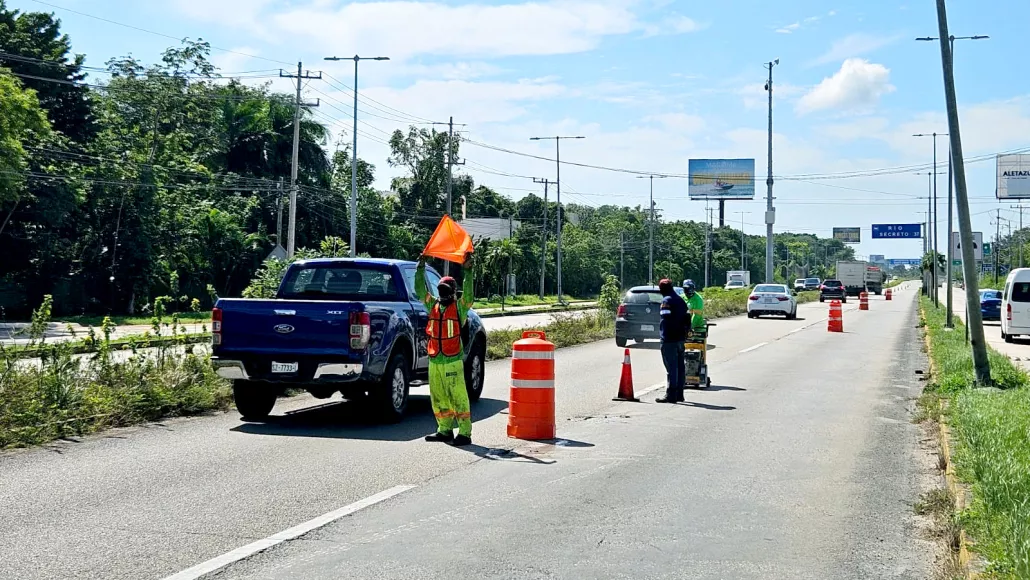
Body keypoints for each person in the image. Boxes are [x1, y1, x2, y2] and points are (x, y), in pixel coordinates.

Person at [415, 253, 475, 446]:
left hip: (452, 360)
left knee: (458, 396)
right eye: (440, 289)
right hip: (435, 360)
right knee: (438, 397)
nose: (442, 293)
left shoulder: (460, 308)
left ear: (453, 291)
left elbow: (469, 295)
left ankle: (464, 433)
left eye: (446, 290)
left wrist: (467, 270)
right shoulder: (432, 305)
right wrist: (420, 267)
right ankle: (444, 430)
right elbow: (418, 289)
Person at [656, 278, 687, 404]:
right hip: (680, 339)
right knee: (680, 367)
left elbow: (666, 318)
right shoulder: (680, 300)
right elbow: (687, 318)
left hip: (669, 339)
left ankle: (671, 395)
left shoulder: (666, 301)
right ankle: (680, 394)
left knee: (671, 368)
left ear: (662, 289)